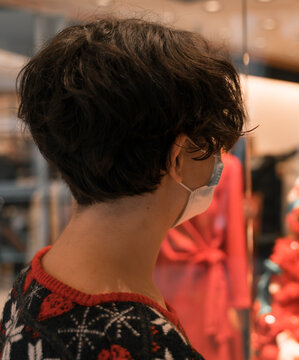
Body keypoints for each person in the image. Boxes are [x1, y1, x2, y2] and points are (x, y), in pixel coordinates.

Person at [0, 17, 246, 359]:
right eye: (212, 147)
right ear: (178, 158)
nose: (218, 164)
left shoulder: (36, 279)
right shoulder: (141, 344)